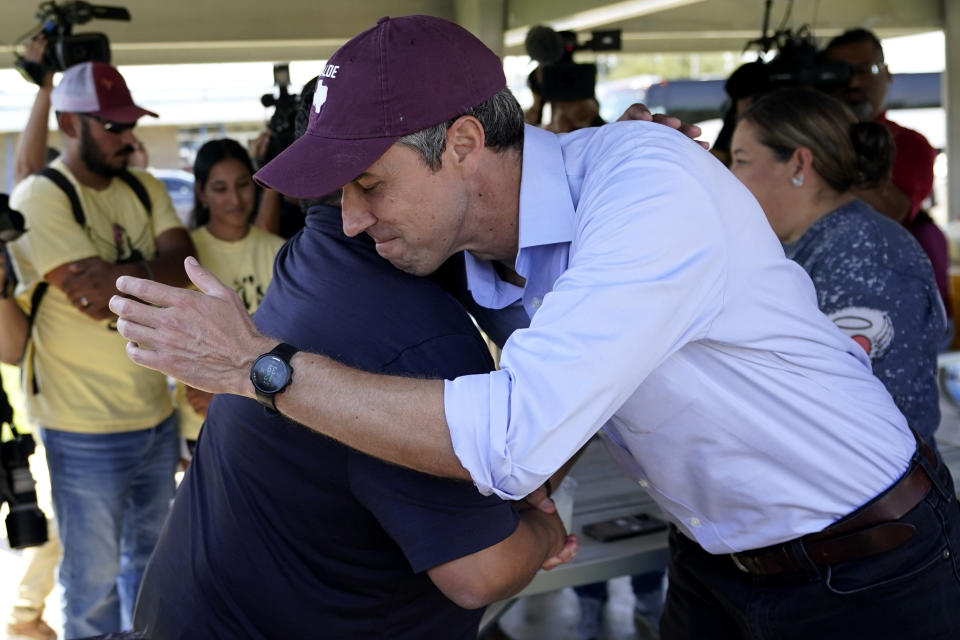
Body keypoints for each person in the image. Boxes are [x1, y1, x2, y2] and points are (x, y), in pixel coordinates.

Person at [111, 16, 960, 639]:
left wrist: (260, 364)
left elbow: (510, 434)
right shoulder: (476, 240)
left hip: (871, 562)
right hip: (715, 562)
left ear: (466, 143)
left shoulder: (646, 192)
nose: (353, 222)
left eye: (369, 184)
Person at [131, 75, 575, 640]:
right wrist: (545, 528)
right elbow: (482, 572)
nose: (353, 214)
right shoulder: (414, 340)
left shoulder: (310, 256)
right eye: (354, 183)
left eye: (370, 184)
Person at [7, 61, 193, 638]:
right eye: (111, 127)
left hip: (155, 415)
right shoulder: (41, 194)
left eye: (128, 124)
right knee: (91, 586)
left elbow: (185, 265)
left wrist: (120, 274)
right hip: (81, 429)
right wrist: (148, 274)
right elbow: (86, 295)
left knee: (151, 571)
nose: (127, 138)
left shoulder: (145, 185)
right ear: (69, 124)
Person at [729, 87, 944, 448]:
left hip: (868, 495)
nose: (731, 175)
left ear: (799, 163)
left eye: (742, 160)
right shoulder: (802, 241)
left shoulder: (864, 255)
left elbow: (842, 414)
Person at [821, 28, 950, 329]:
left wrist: (825, 154)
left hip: (889, 309)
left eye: (866, 70)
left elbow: (892, 210)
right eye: (842, 72)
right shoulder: (810, 137)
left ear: (887, 75)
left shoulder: (908, 143)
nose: (853, 82)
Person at [174, 138, 284, 449]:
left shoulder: (281, 253)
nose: (234, 198)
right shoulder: (186, 256)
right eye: (220, 189)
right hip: (201, 423)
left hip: (264, 419)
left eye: (242, 185)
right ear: (201, 194)